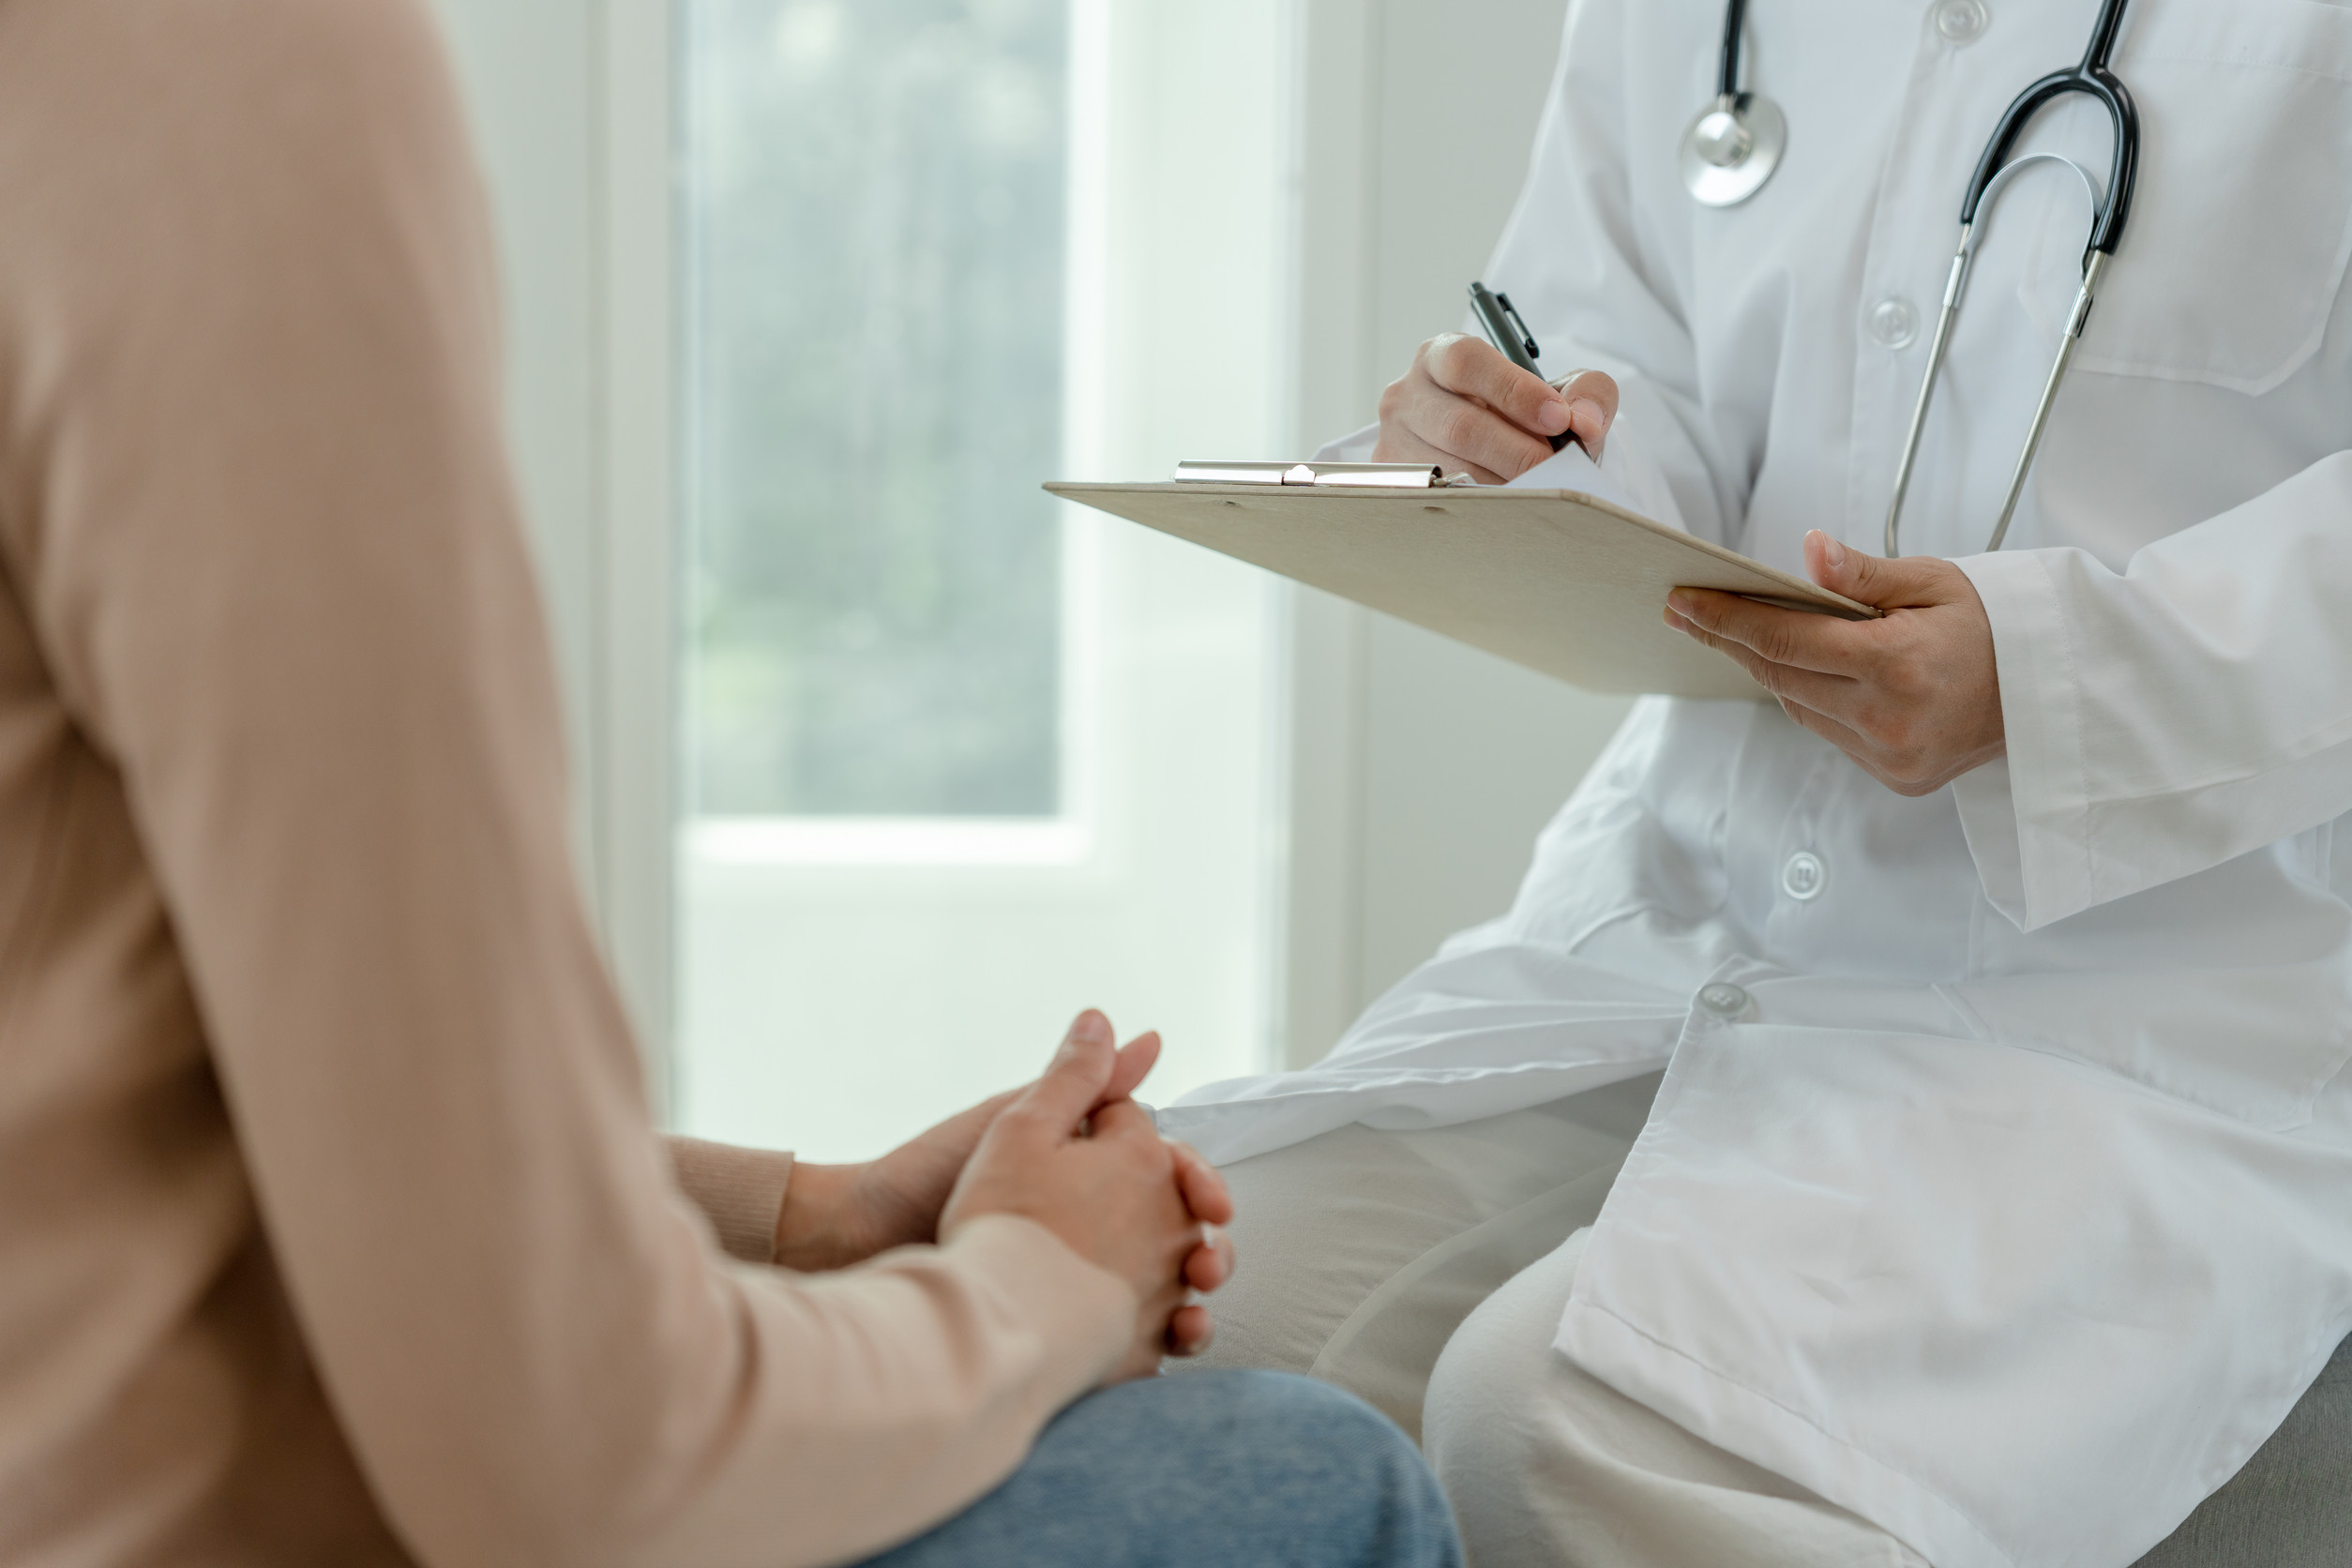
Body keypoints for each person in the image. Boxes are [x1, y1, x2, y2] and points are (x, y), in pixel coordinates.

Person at [0, 2, 1464, 1565]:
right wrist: (1041, 1281)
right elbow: (576, 1468)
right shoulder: (217, 72)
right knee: (1303, 1479)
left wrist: (795, 1214)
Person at [1162, 2, 2352, 1566]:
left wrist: (2064, 671)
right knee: (1177, 1334)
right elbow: (1622, 367)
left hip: (2160, 988)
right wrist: (1523, 459)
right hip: (1686, 909)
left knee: (1553, 1429)